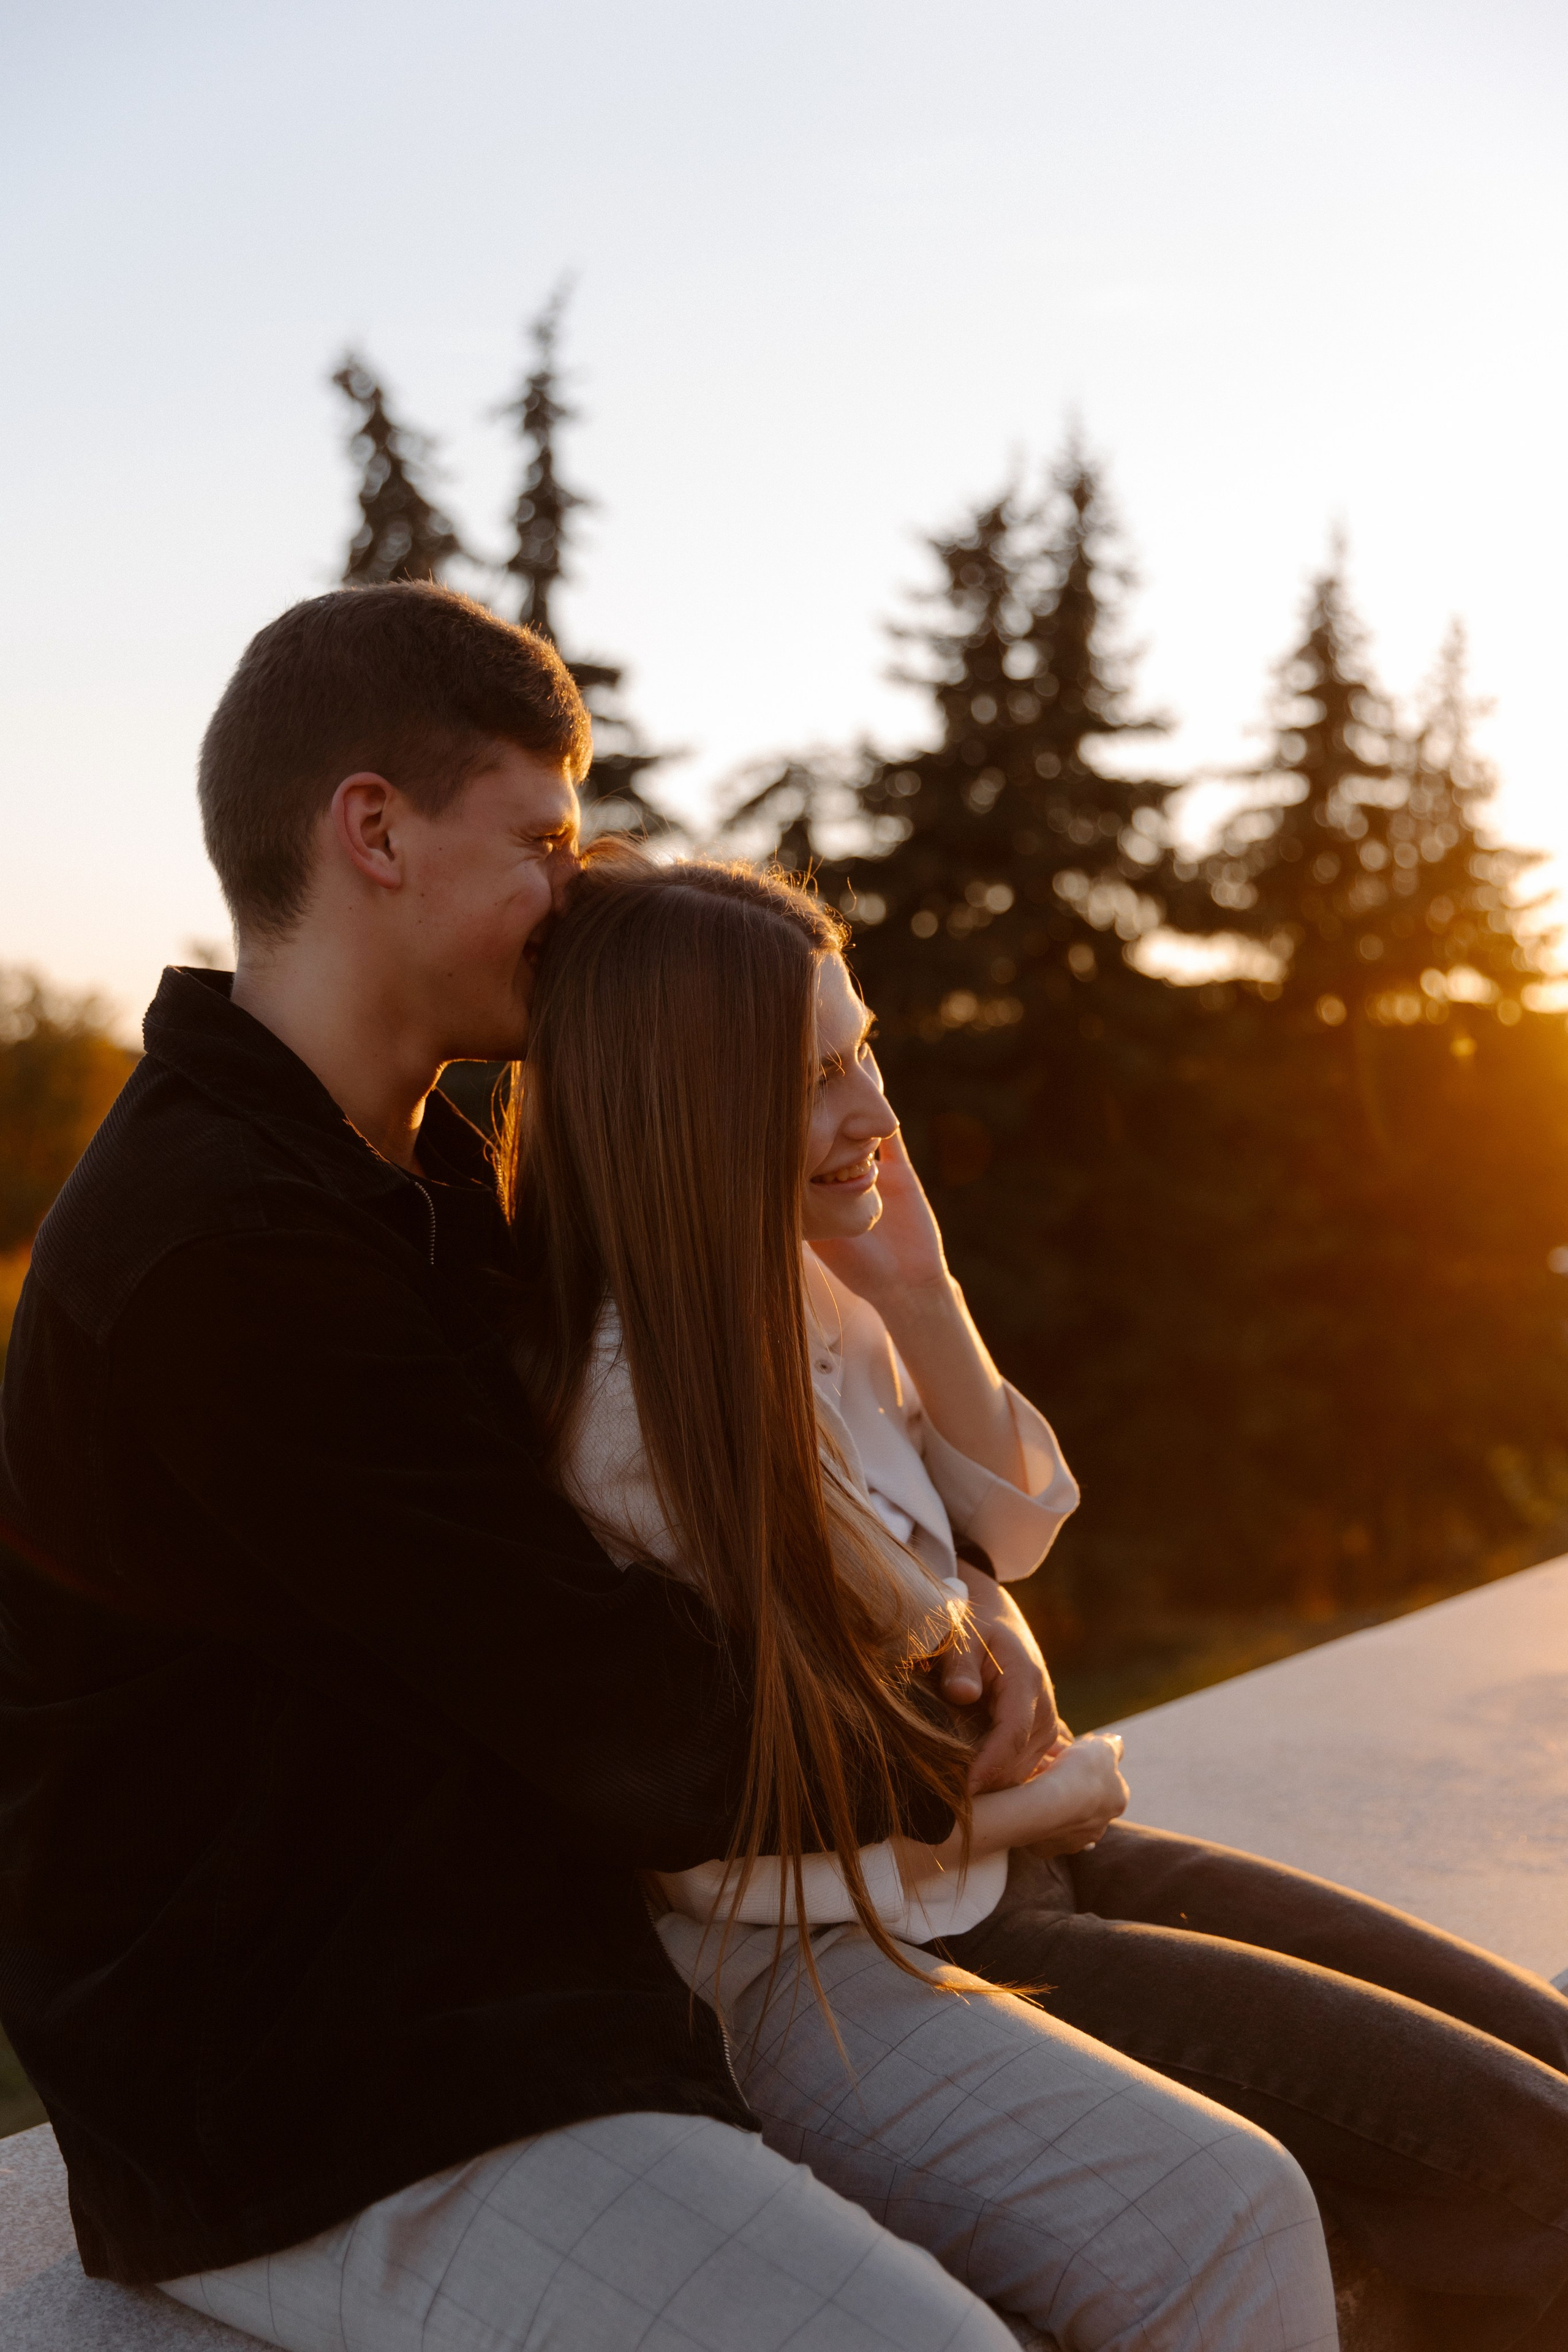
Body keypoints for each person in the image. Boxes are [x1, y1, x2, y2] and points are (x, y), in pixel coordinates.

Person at [0, 581, 1322, 2352]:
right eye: (543, 839)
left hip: (557, 1978)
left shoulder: (416, 1179)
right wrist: (935, 1726)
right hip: (321, 2087)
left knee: (1220, 2216)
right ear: (372, 833)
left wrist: (936, 1614)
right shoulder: (217, 1251)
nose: (581, 892)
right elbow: (607, 1709)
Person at [500, 849, 1568, 2352]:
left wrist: (920, 1286)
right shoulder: (641, 1409)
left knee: (1544, 2065)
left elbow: (1011, 1520)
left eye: (857, 1049)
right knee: (1528, 2169)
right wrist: (1018, 1709)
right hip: (895, 1944)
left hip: (1027, 1860)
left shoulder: (807, 1284)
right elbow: (862, 1755)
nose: (872, 1109)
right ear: (682, 1111)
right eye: (813, 1078)